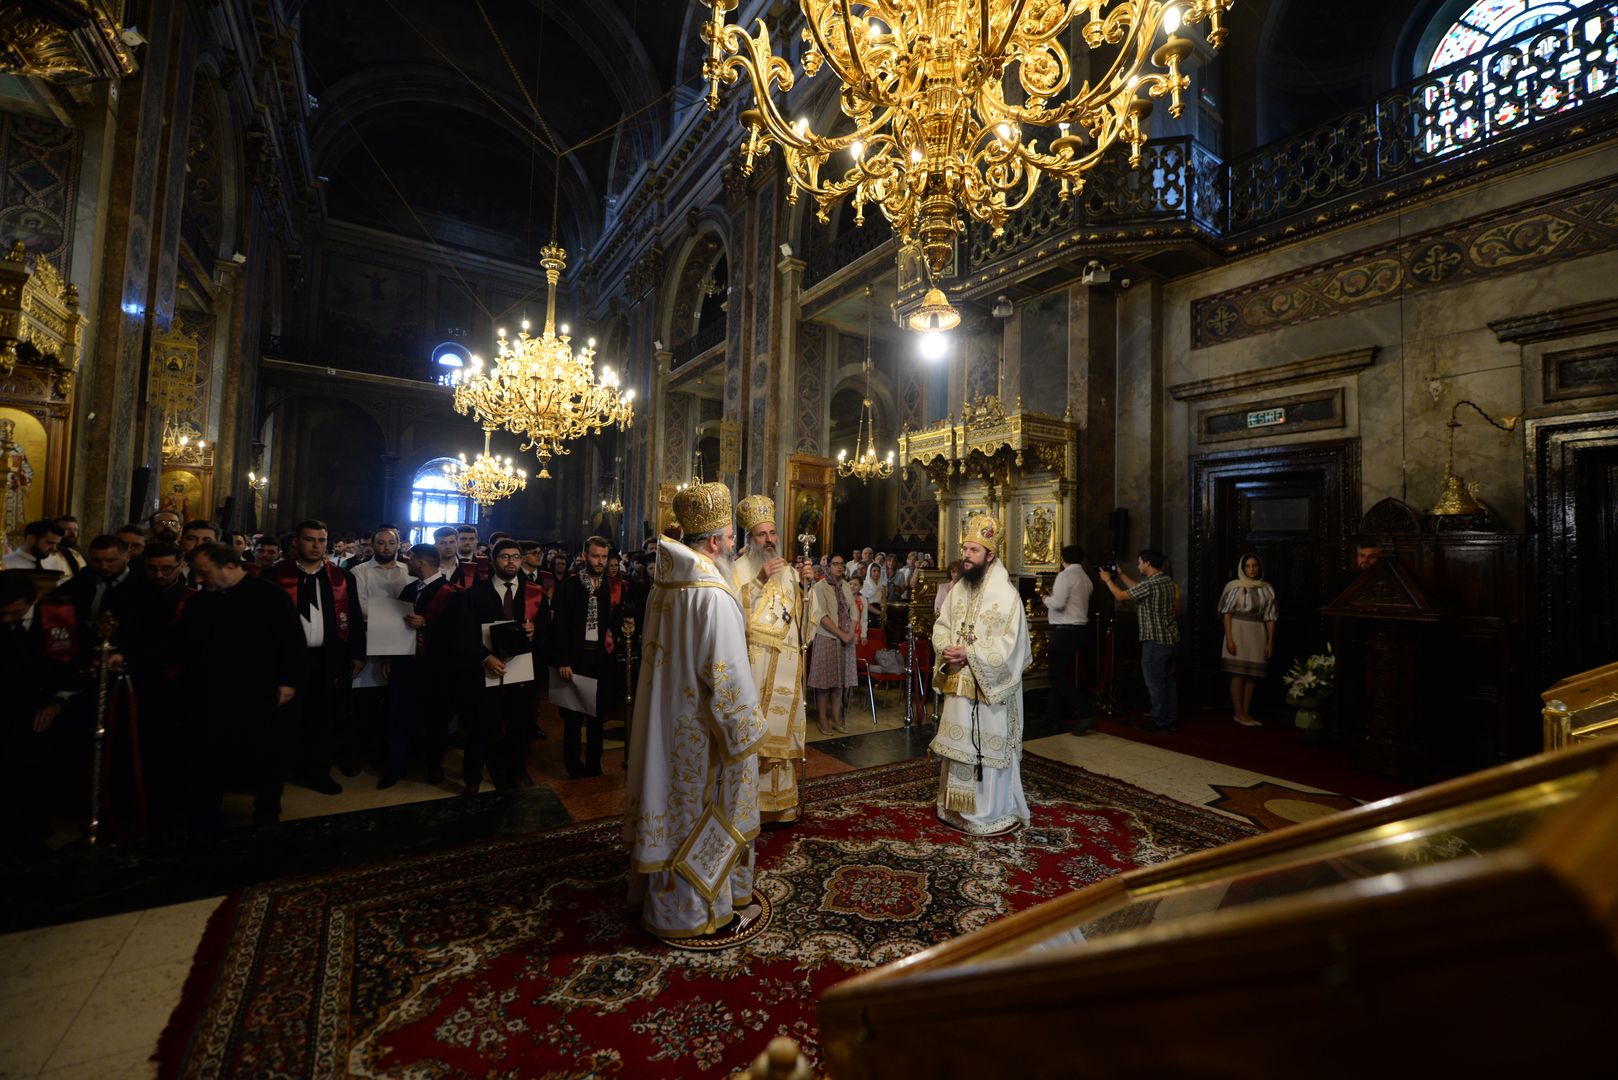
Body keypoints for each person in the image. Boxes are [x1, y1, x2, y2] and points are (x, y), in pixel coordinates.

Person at [625, 481, 766, 944]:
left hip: (661, 723)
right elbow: (725, 678)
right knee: (701, 808)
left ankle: (659, 902)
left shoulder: (663, 586)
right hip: (701, 736)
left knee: (664, 802)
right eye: (729, 537)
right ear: (714, 542)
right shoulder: (713, 595)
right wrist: (746, 732)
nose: (732, 545)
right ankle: (697, 911)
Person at [183, 543, 302, 828]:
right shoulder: (200, 601)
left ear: (229, 566)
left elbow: (292, 643)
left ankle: (266, 816)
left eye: (204, 573)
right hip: (212, 695)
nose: (198, 580)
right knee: (210, 760)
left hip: (259, 693)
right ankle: (206, 819)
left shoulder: (271, 596)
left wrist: (289, 681)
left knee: (265, 759)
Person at [931, 514, 1032, 836]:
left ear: (990, 555)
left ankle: (989, 811)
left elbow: (1013, 645)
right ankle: (956, 808)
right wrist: (946, 646)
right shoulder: (959, 588)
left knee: (984, 750)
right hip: (958, 683)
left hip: (990, 692)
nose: (967, 556)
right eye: (966, 549)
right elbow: (942, 624)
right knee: (958, 746)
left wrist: (971, 654)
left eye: (974, 551)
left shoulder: (1006, 596)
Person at [264, 519, 366, 792]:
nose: (316, 545)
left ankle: (319, 772)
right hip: (287, 661)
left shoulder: (342, 578)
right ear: (297, 542)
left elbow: (353, 616)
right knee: (286, 719)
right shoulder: (274, 577)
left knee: (322, 718)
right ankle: (283, 771)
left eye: (321, 540)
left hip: (326, 658)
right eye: (310, 539)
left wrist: (357, 653)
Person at [449, 537, 547, 794]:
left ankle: (513, 773)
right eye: (505, 557)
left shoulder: (534, 592)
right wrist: (485, 657)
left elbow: (549, 628)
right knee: (480, 727)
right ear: (494, 561)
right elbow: (463, 634)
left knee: (518, 726)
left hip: (522, 671)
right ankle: (472, 778)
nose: (511, 561)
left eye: (516, 557)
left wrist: (535, 629)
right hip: (485, 670)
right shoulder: (475, 594)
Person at [731, 495, 806, 826]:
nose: (770, 540)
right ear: (750, 538)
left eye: (772, 533)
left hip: (787, 667)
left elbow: (802, 617)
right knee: (758, 734)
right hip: (756, 666)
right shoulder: (737, 569)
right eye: (762, 535)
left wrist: (807, 586)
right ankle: (752, 806)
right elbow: (730, 613)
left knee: (783, 733)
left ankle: (783, 806)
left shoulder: (787, 570)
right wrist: (759, 580)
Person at [551, 536, 635, 779]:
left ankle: (594, 764)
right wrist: (562, 660)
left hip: (602, 658)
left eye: (603, 557)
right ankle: (572, 764)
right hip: (575, 657)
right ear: (584, 556)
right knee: (573, 716)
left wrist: (626, 621)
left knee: (598, 716)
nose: (599, 561)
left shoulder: (617, 586)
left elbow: (618, 619)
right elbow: (560, 626)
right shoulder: (570, 586)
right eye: (594, 556)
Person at [386, 543, 457, 786]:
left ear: (421, 562)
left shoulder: (452, 593)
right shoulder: (409, 589)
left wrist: (427, 624)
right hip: (405, 666)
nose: (406, 562)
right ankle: (395, 768)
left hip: (436, 670)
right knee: (399, 717)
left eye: (410, 558)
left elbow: (460, 635)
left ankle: (434, 767)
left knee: (435, 721)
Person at [1099, 548, 1181, 733]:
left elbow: (1121, 596)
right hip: (1171, 640)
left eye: (1139, 562)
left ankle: (1159, 721)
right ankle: (1170, 719)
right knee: (1168, 681)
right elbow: (1137, 589)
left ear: (1147, 563)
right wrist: (1121, 575)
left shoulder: (1150, 584)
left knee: (1155, 683)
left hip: (1155, 641)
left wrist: (1108, 580)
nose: (1138, 565)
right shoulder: (1167, 581)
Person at [1219, 552, 1278, 727]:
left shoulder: (1266, 588)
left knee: (1253, 674)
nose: (1251, 570)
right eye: (1247, 566)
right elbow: (1227, 614)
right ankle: (1238, 713)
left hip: (1257, 632)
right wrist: (1229, 638)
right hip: (1238, 630)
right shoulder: (1235, 587)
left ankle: (1245, 712)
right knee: (1239, 673)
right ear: (1242, 568)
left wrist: (1270, 641)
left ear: (1259, 567)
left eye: (1254, 566)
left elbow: (1271, 617)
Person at [1043, 545, 1095, 733]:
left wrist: (1044, 599)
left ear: (1062, 558)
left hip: (1065, 630)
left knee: (1055, 675)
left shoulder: (1065, 576)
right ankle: (1053, 719)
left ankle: (1085, 712)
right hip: (1080, 630)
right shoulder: (1086, 577)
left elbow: (1057, 603)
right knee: (1060, 675)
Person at [807, 553, 858, 735]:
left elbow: (854, 612)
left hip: (845, 639)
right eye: (835, 564)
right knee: (824, 683)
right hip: (827, 638)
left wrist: (850, 634)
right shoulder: (819, 587)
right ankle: (822, 718)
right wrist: (841, 634)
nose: (839, 567)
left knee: (839, 682)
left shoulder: (845, 586)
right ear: (827, 567)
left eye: (841, 564)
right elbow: (820, 616)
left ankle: (836, 717)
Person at [3, 517, 69, 577]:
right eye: (49, 543)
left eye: (56, 544)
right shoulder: (5, 564)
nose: (54, 548)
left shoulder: (57, 562)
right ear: (31, 539)